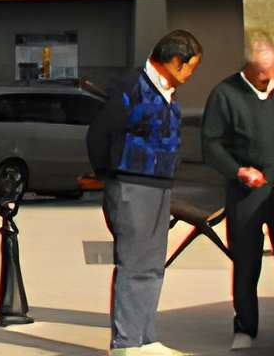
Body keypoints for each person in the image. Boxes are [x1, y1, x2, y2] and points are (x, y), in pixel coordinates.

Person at [86, 28, 203, 356]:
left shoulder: (166, 91)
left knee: (152, 264)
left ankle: (145, 337)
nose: (191, 75)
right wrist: (107, 176)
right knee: (134, 263)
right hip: (131, 184)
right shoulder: (133, 87)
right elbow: (99, 134)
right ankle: (126, 343)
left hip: (158, 185)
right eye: (190, 67)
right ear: (175, 61)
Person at [201, 39, 274, 348]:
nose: (271, 80)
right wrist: (239, 171)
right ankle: (245, 327)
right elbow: (211, 145)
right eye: (263, 75)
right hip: (247, 193)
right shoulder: (224, 95)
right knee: (246, 261)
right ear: (248, 70)